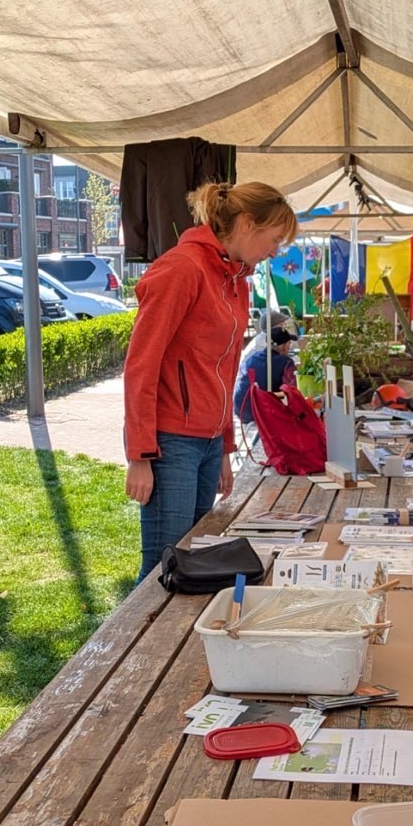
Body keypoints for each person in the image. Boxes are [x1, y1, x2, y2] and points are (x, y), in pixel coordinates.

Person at [124, 181, 298, 582]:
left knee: (196, 561)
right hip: (170, 441)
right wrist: (139, 455)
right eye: (274, 240)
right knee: (161, 569)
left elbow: (225, 368)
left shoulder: (236, 278)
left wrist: (224, 448)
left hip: (205, 443)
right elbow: (140, 364)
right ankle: (132, 646)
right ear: (247, 224)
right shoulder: (182, 268)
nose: (275, 252)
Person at [232, 324, 298, 425]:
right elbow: (290, 394)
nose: (290, 347)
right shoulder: (286, 363)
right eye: (289, 344)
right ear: (284, 346)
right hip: (261, 412)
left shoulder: (253, 358)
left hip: (240, 408)